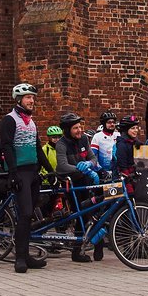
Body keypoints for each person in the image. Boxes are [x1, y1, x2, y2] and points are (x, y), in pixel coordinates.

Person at [0, 83, 52, 273]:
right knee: (26, 213)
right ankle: (20, 258)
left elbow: (37, 147)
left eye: (33, 98)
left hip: (32, 172)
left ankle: (27, 254)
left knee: (30, 216)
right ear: (19, 99)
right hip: (19, 172)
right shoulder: (10, 120)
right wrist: (12, 173)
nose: (32, 101)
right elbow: (6, 147)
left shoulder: (32, 122)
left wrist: (50, 170)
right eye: (29, 97)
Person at [55, 111, 103, 262]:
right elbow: (62, 166)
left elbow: (93, 158)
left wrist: (89, 164)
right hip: (72, 184)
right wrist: (79, 168)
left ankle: (98, 245)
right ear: (67, 130)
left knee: (95, 212)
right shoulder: (61, 144)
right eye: (76, 128)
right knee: (80, 215)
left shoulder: (83, 139)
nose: (80, 130)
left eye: (80, 127)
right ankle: (76, 252)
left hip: (87, 182)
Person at [90, 111, 120, 176]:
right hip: (103, 172)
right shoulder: (97, 137)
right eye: (109, 122)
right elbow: (93, 156)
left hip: (117, 171)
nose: (112, 124)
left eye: (113, 122)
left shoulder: (118, 135)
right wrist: (100, 170)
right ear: (104, 124)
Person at [114, 115, 141, 182]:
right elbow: (122, 166)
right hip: (126, 179)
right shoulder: (122, 145)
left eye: (136, 128)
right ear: (126, 130)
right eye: (133, 128)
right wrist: (129, 176)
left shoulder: (134, 142)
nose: (136, 130)